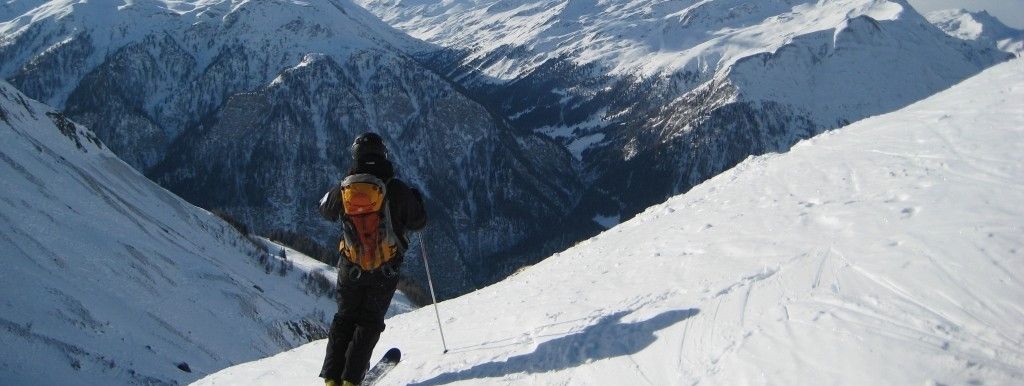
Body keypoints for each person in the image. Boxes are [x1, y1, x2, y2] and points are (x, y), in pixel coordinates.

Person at [318, 132, 427, 386]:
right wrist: (416, 200)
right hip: (383, 269)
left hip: (350, 267)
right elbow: (420, 221)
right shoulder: (396, 189)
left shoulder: (344, 188)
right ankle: (351, 381)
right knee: (369, 323)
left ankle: (332, 380)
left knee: (344, 319)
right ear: (383, 155)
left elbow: (324, 208)